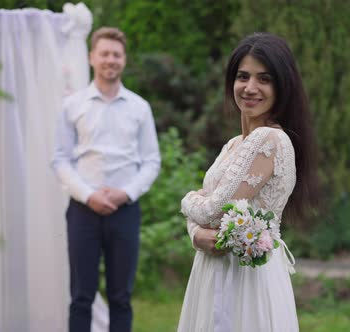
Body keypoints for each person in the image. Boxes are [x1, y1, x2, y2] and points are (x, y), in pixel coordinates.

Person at [177, 32, 319, 332]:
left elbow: (212, 209)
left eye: (264, 79)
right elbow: (208, 213)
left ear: (282, 86)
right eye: (243, 76)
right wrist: (195, 234)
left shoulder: (269, 139)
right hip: (214, 268)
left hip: (246, 279)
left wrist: (186, 200)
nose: (250, 88)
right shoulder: (232, 145)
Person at [51, 26, 161, 332]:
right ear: (91, 57)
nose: (110, 59)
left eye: (116, 54)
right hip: (83, 211)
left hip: (125, 211)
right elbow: (60, 158)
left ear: (124, 60)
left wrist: (124, 194)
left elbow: (151, 161)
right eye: (104, 53)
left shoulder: (140, 108)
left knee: (121, 297)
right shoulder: (72, 106)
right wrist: (89, 195)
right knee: (81, 297)